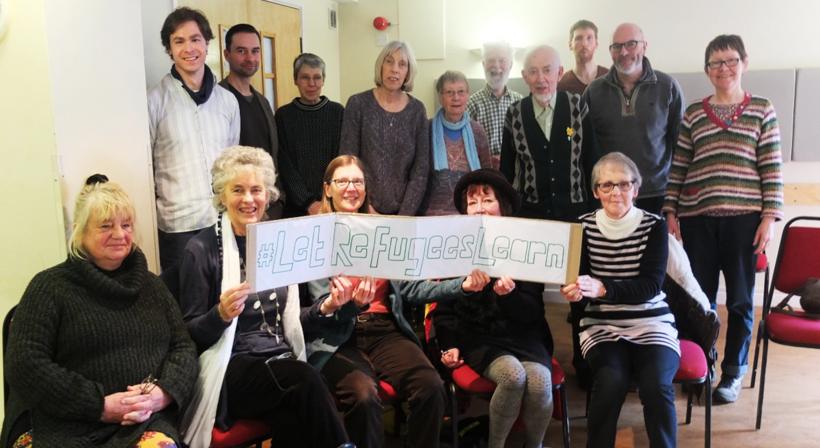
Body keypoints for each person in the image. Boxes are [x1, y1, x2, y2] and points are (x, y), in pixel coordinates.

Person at [1, 175, 198, 448]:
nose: (119, 234)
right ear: (79, 231)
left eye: (126, 224)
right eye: (106, 225)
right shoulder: (49, 287)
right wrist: (98, 405)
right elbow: (25, 364)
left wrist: (162, 394)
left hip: (142, 422)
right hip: (60, 422)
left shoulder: (152, 286)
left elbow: (183, 347)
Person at [178, 146, 350, 447]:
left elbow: (294, 321)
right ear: (222, 196)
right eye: (237, 190)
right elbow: (188, 335)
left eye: (256, 190)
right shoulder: (201, 249)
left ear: (267, 195)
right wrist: (219, 315)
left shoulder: (278, 242)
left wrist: (327, 306)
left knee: (290, 418)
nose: (248, 199)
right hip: (230, 371)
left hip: (280, 362)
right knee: (307, 379)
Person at [302, 155, 474, 448]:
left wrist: (463, 285)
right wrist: (350, 305)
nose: (351, 188)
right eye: (342, 181)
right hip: (338, 339)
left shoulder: (384, 230)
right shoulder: (314, 236)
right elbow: (318, 311)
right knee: (364, 396)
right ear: (327, 188)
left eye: (357, 181)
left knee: (431, 387)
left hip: (384, 330)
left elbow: (411, 290)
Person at [663, 34, 784, 404]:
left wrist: (768, 217)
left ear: (744, 63)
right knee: (699, 300)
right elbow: (679, 166)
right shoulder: (694, 113)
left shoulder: (762, 109)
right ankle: (703, 366)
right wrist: (670, 210)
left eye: (730, 61)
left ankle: (732, 373)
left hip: (744, 222)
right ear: (706, 70)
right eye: (716, 63)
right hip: (697, 220)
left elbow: (771, 168)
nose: (723, 69)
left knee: (741, 302)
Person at [561, 152, 679, 448]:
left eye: (624, 185)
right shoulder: (581, 227)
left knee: (656, 385)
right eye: (607, 185)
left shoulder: (654, 226)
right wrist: (575, 293)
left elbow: (651, 286)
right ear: (595, 191)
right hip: (601, 325)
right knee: (610, 382)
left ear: (636, 189)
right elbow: (581, 285)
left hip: (652, 322)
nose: (616, 192)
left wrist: (603, 289)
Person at [432, 168, 554, 448]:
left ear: (503, 206)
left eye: (487, 201)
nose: (479, 209)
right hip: (478, 335)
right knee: (513, 376)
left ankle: (533, 446)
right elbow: (443, 311)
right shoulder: (456, 248)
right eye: (472, 203)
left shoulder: (525, 245)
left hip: (525, 335)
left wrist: (509, 295)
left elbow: (532, 312)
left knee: (540, 382)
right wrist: (448, 346)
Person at [148, 7, 240, 270]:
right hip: (178, 228)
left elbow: (232, 162)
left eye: (195, 39)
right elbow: (146, 170)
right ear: (169, 48)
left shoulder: (227, 101)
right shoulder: (154, 101)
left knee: (225, 303)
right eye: (179, 41)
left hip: (222, 222)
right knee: (184, 306)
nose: (189, 48)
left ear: (207, 43)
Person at [583, 23, 685, 215]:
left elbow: (681, 148)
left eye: (631, 44)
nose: (623, 52)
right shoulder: (594, 92)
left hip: (657, 195)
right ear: (610, 51)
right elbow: (587, 149)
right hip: (611, 197)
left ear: (644, 46)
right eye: (617, 46)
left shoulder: (667, 87)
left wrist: (675, 201)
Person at [499, 45, 600, 221]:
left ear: (559, 73)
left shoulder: (576, 106)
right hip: (529, 215)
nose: (541, 79)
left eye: (547, 70)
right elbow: (507, 170)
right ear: (525, 77)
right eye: (533, 71)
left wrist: (595, 213)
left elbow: (592, 161)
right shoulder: (515, 114)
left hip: (575, 214)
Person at [340, 41, 428, 216]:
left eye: (402, 64)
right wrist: (367, 210)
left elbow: (420, 172)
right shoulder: (358, 104)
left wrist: (402, 218)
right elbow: (348, 163)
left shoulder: (417, 110)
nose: (394, 69)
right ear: (380, 66)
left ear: (408, 72)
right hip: (362, 211)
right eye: (389, 61)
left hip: (405, 215)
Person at [219, 23, 285, 219]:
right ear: (226, 55)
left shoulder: (263, 102)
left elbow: (273, 156)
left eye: (255, 51)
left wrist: (278, 199)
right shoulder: (217, 102)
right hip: (238, 208)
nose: (250, 58)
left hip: (268, 206)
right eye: (241, 51)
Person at [276, 53, 345, 218]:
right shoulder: (283, 116)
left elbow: (341, 158)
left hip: (333, 202)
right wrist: (308, 202)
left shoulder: (338, 112)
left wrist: (328, 198)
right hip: (295, 207)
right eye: (305, 77)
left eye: (317, 77)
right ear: (295, 80)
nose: (312, 84)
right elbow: (284, 165)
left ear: (323, 80)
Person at [418, 70, 493, 216]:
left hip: (469, 212)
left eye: (461, 92)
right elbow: (419, 177)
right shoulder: (426, 130)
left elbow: (487, 176)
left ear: (468, 96)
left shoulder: (478, 131)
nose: (456, 98)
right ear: (440, 97)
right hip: (433, 214)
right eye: (449, 92)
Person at [467, 41, 524, 165]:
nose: (496, 66)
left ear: (510, 65)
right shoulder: (471, 104)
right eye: (491, 60)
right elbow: (466, 145)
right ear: (483, 64)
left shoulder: (520, 103)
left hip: (515, 172)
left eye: (502, 60)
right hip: (484, 173)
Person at [558, 20, 609, 95]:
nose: (584, 44)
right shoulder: (562, 84)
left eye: (589, 38)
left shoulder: (610, 79)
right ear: (570, 45)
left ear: (596, 44)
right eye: (578, 38)